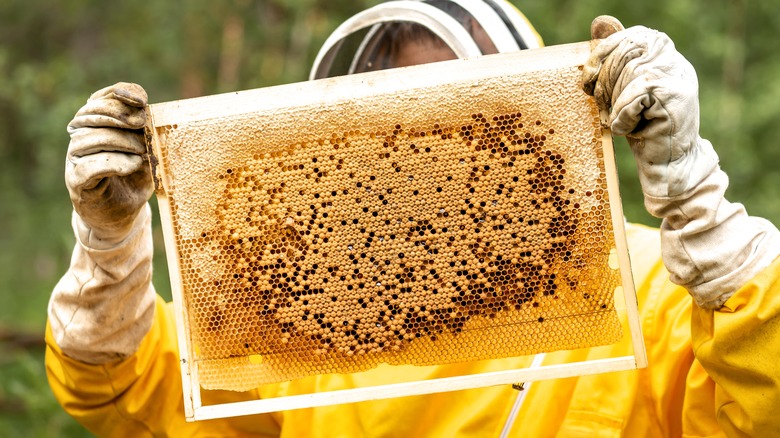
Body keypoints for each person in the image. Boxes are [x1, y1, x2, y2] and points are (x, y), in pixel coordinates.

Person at [46, 1, 780, 436]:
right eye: (392, 123)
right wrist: (108, 245)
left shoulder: (645, 287)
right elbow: (129, 392)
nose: (421, 157)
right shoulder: (305, 325)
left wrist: (696, 203)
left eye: (459, 117)